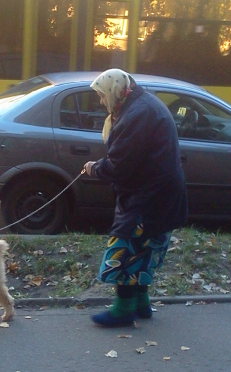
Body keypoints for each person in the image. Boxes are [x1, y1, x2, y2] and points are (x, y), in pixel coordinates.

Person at [84, 68, 188, 327]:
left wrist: (95, 168)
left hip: (148, 199)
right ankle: (142, 304)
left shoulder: (136, 114)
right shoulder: (142, 103)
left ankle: (123, 310)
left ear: (114, 90)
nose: (101, 102)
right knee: (145, 251)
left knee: (125, 250)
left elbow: (119, 166)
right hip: (162, 196)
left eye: (102, 95)